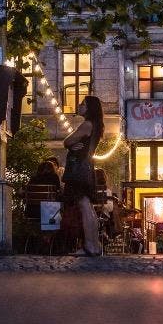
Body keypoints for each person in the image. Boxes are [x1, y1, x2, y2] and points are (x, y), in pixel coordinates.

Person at [62, 95, 104, 256]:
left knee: (84, 206)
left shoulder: (87, 125)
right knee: (88, 206)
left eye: (83, 104)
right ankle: (94, 244)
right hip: (86, 167)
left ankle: (90, 246)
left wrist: (71, 143)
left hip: (79, 168)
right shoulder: (96, 125)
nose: (79, 106)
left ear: (89, 108)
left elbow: (67, 141)